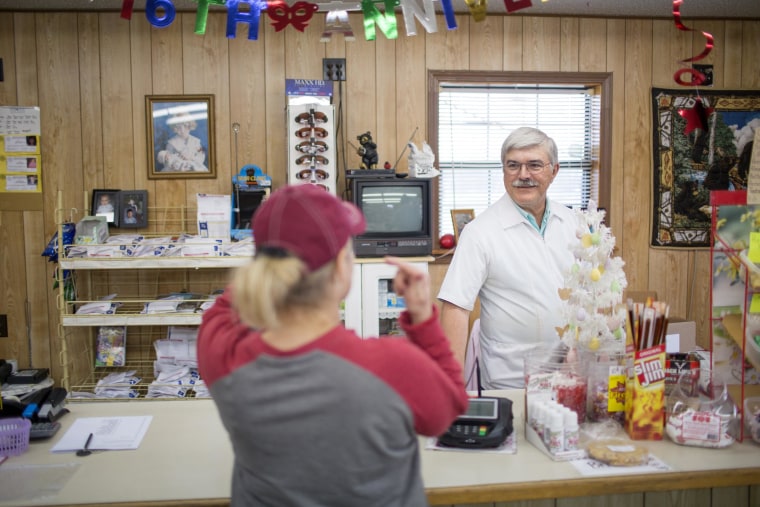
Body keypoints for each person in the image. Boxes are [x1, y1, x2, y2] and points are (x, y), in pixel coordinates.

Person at [197, 183, 467, 507]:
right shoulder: (392, 365)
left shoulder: (224, 355)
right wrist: (423, 319)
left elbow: (224, 308)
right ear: (342, 266)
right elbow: (448, 410)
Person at [438, 127, 580, 389]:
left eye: (534, 165)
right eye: (513, 165)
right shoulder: (479, 232)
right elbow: (455, 308)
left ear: (554, 171)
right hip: (511, 381)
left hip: (569, 376)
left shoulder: (573, 222)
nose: (523, 175)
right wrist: (452, 389)